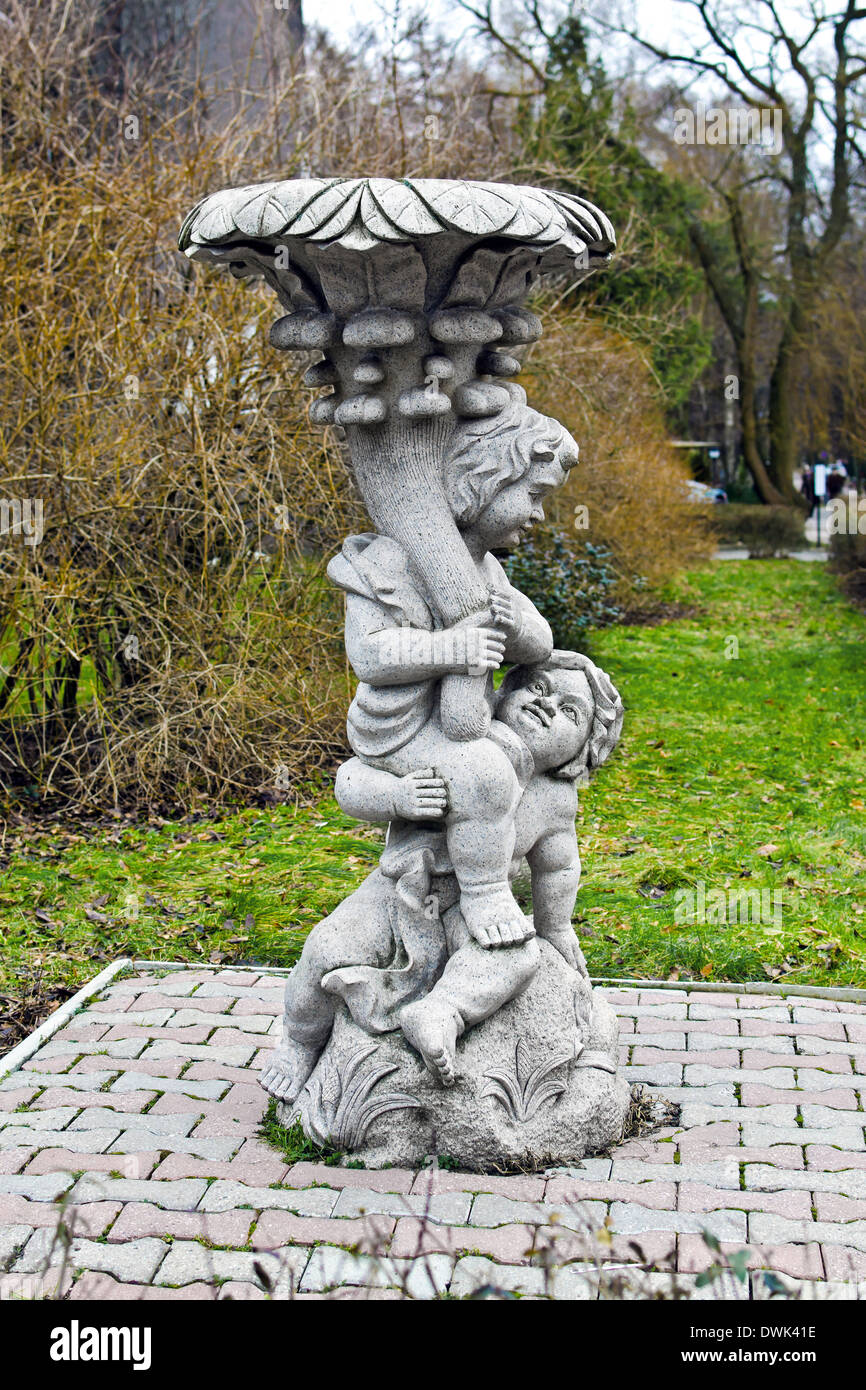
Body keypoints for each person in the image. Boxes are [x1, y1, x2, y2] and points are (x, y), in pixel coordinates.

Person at [260, 651, 623, 1099]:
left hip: (476, 914)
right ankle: (299, 1042)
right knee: (327, 948)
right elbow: (350, 780)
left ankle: (442, 1012)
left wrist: (556, 927)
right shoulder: (449, 745)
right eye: (537, 688)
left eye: (570, 712)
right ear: (504, 692)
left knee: (518, 957)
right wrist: (396, 796)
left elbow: (559, 867)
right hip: (397, 891)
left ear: (583, 750)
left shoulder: (553, 800)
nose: (546, 705)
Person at [327, 388, 579, 955]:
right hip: (399, 730)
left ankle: (501, 865)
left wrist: (515, 624)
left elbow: (540, 644)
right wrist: (452, 649)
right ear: (486, 478)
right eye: (534, 494)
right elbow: (370, 656)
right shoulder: (386, 562)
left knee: (502, 762)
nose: (539, 514)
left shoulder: (484, 570)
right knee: (483, 773)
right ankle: (486, 892)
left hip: (462, 723)